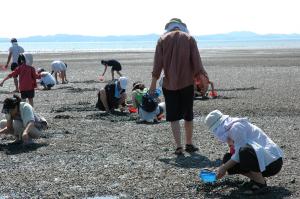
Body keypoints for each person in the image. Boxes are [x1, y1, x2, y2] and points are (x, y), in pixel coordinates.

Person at [149, 18, 209, 155]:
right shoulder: (189, 39)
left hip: (169, 84)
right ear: (182, 27)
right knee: (188, 114)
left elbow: (157, 64)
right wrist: (203, 80)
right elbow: (197, 63)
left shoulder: (162, 40)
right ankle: (189, 143)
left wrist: (153, 84)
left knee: (173, 116)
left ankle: (178, 146)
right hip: (187, 83)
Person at [204, 110, 283, 194]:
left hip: (273, 162)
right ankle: (256, 179)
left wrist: (224, 168)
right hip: (263, 162)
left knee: (244, 151)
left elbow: (239, 153)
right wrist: (221, 168)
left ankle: (261, 184)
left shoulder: (236, 127)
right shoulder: (230, 129)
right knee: (228, 158)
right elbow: (234, 153)